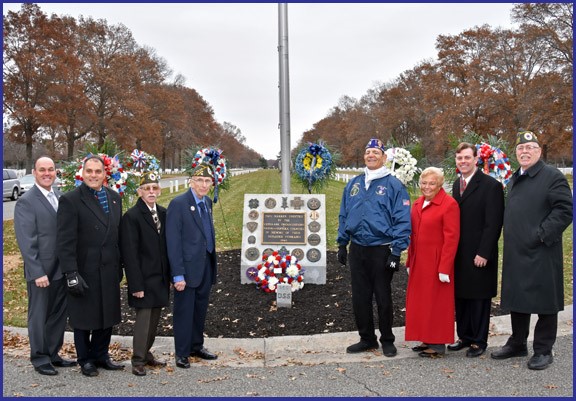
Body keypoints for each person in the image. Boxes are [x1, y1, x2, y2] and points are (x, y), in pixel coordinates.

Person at [491, 131, 572, 370]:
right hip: (517, 251)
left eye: (530, 148)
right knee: (518, 298)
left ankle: (543, 350)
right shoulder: (517, 176)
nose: (524, 152)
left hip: (542, 251)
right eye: (520, 149)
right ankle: (517, 342)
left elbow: (565, 210)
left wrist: (541, 234)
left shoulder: (552, 176)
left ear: (539, 152)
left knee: (546, 300)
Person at [337, 138, 411, 357]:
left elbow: (402, 219)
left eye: (376, 153)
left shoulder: (394, 185)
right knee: (360, 297)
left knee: (383, 297)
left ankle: (387, 339)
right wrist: (342, 243)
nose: (371, 155)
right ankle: (367, 339)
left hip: (382, 249)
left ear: (384, 157)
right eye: (368, 152)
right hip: (358, 249)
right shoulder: (354, 184)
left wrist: (396, 251)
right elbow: (344, 213)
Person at [56, 155, 124, 377]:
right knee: (84, 317)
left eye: (98, 171)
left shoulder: (115, 198)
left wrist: (119, 264)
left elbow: (117, 235)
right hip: (85, 268)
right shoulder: (71, 200)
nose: (94, 176)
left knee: (107, 315)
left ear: (105, 174)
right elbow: (65, 242)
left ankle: (101, 355)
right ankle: (85, 359)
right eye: (90, 171)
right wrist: (70, 273)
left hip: (109, 267)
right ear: (82, 173)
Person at [14, 156, 77, 376]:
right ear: (34, 172)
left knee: (58, 313)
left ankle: (53, 353)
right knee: (39, 315)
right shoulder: (27, 201)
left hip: (61, 268)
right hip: (41, 270)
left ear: (56, 172)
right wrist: (37, 271)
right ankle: (40, 357)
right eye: (42, 170)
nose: (47, 173)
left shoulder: (59, 196)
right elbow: (26, 240)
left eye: (51, 169)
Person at [448, 143, 504, 358]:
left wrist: (484, 252)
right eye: (459, 158)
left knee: (478, 298)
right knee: (461, 295)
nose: (463, 161)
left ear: (476, 159)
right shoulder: (456, 184)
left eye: (467, 158)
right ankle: (464, 336)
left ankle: (479, 341)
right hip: (459, 252)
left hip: (480, 252)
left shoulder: (490, 186)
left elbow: (494, 223)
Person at [166, 163, 218, 369]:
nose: (203, 185)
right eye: (199, 180)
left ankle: (197, 345)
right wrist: (177, 274)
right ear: (191, 182)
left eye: (207, 181)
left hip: (205, 265)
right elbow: (173, 242)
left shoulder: (206, 202)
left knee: (200, 309)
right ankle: (182, 352)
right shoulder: (179, 204)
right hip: (187, 269)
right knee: (184, 311)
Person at [405, 167, 460, 358]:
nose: (427, 187)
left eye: (432, 183)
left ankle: (437, 343)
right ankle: (425, 338)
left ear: (440, 185)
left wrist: (444, 267)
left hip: (437, 263)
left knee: (436, 303)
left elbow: (451, 239)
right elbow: (412, 235)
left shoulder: (449, 204)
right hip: (419, 261)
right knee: (421, 302)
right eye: (424, 183)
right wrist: (409, 261)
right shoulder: (418, 203)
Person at [120, 171, 171, 376]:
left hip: (159, 277)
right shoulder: (131, 217)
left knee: (155, 319)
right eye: (146, 188)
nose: (151, 192)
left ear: (159, 191)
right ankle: (137, 360)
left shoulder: (163, 213)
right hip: (143, 279)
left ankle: (147, 353)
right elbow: (129, 254)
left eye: (154, 188)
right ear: (140, 192)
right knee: (143, 321)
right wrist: (136, 285)